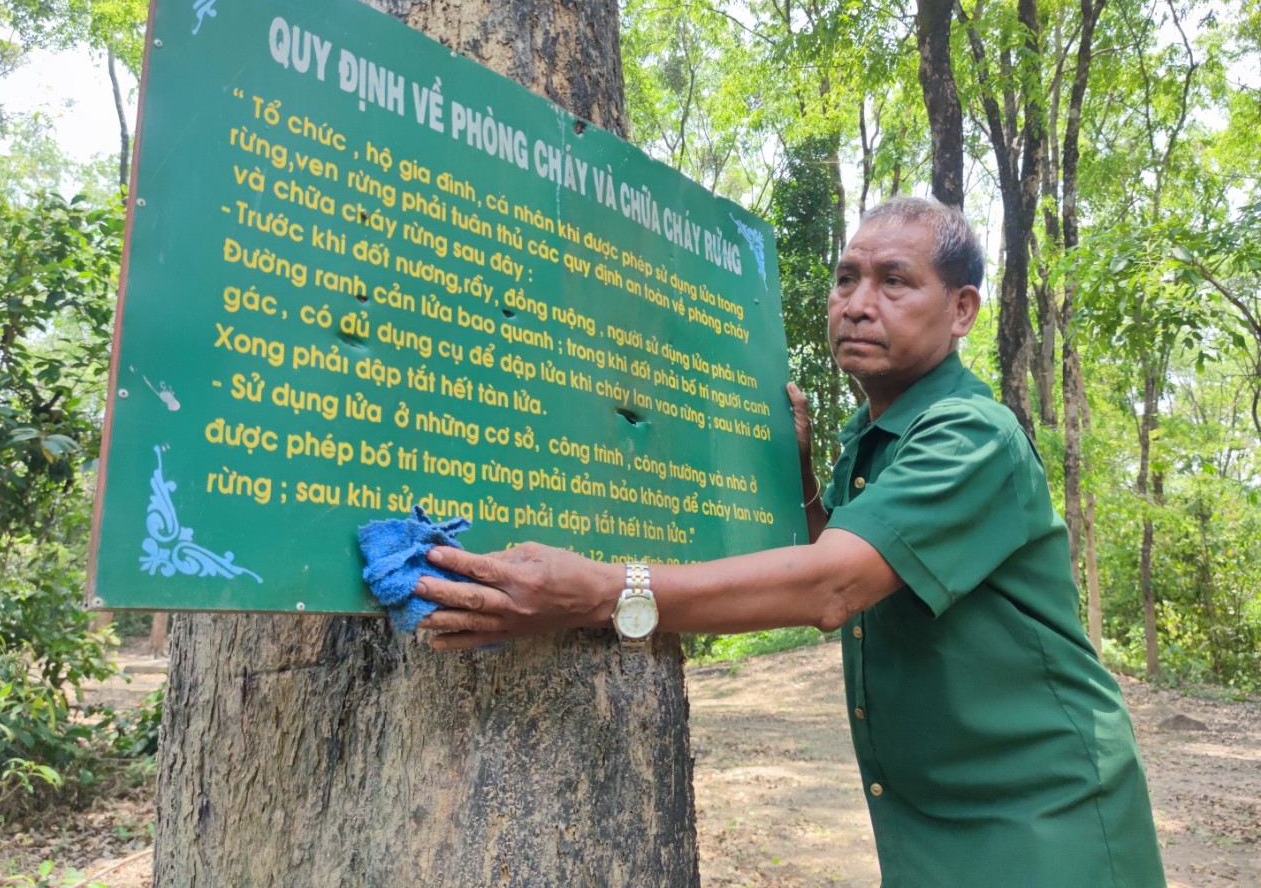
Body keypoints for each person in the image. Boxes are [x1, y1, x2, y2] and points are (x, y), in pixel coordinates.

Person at [415, 197, 1166, 887]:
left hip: (1045, 820)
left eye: (894, 283)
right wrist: (804, 471)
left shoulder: (972, 435)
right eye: (846, 280)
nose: (857, 305)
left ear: (962, 309)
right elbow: (852, 551)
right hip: (936, 819)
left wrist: (605, 593)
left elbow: (833, 586)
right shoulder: (871, 439)